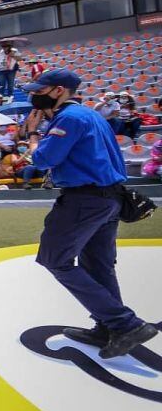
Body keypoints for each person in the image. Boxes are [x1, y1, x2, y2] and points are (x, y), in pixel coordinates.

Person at [23, 68, 157, 358]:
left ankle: (125, 324)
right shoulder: (90, 115)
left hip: (84, 200)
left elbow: (44, 158)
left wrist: (33, 135)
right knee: (98, 266)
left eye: (39, 90)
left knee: (55, 259)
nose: (33, 95)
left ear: (58, 91)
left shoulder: (68, 118)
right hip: (108, 199)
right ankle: (108, 327)